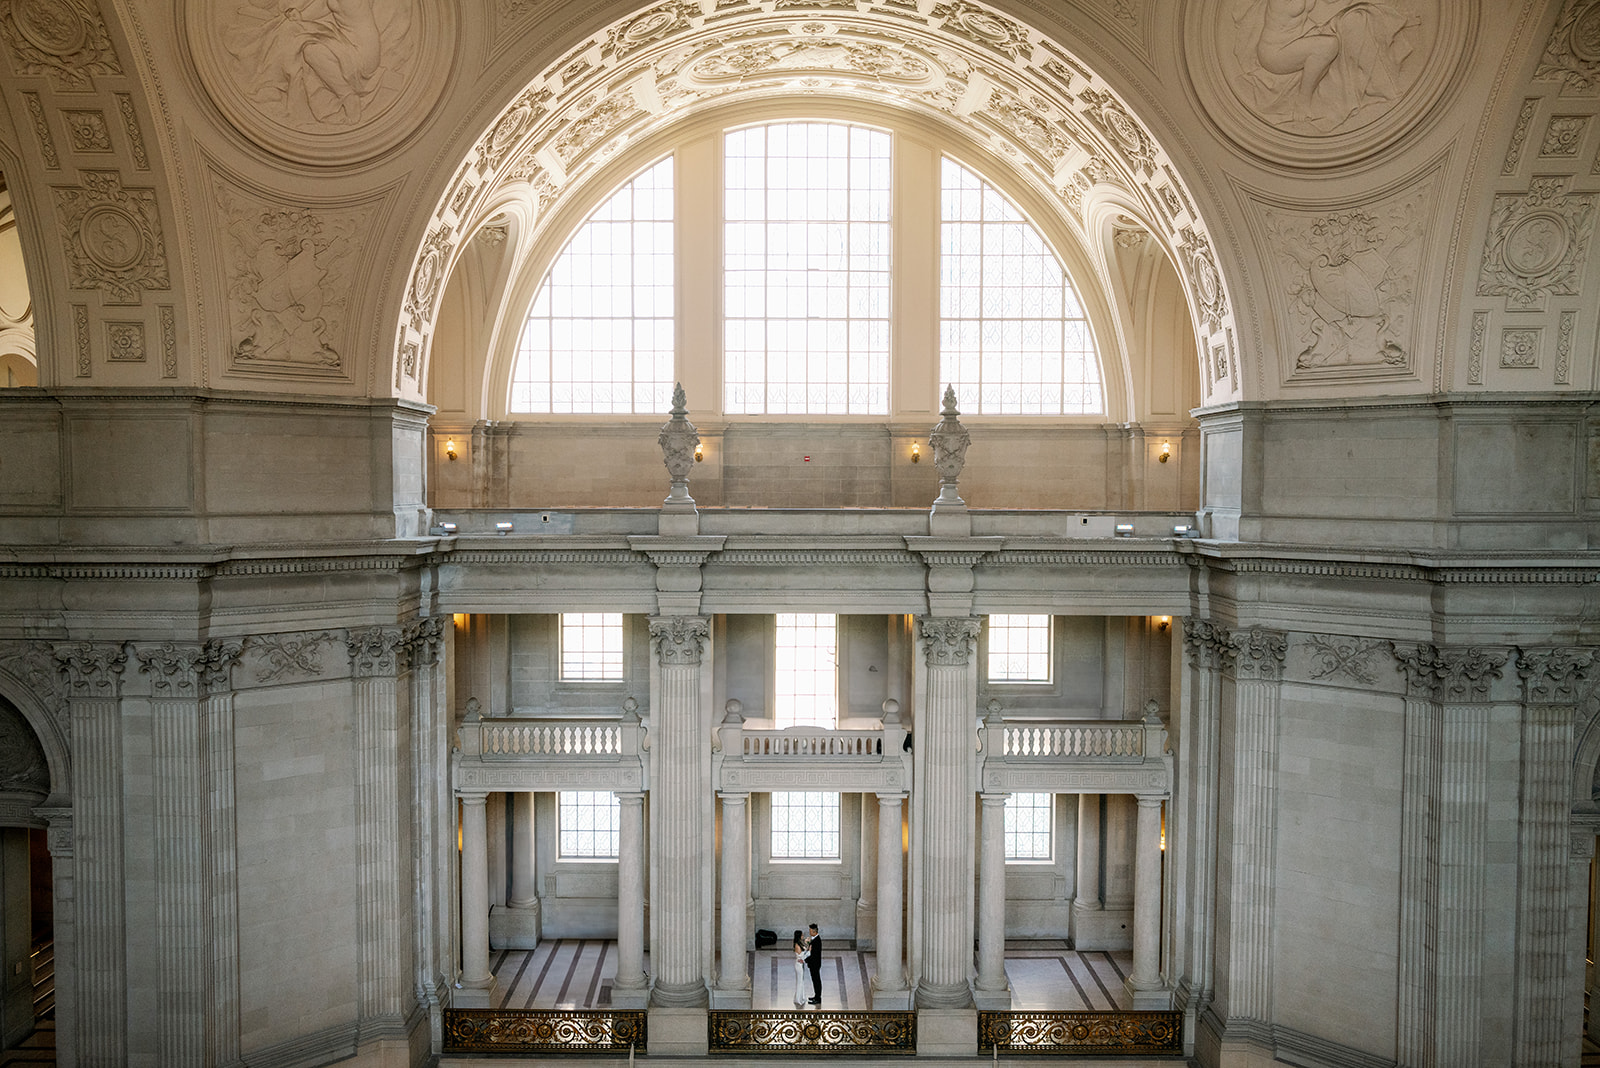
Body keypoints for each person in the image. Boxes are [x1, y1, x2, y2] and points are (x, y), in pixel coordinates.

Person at [805, 922, 822, 1004]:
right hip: (814, 964)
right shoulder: (814, 939)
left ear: (813, 931)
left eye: (810, 930)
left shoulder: (817, 941)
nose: (809, 932)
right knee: (815, 980)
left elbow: (814, 955)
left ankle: (818, 998)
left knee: (816, 980)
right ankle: (816, 996)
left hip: (815, 964)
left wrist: (805, 960)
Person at [791, 930, 807, 1006]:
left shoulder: (799, 943)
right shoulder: (797, 945)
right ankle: (798, 999)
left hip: (800, 964)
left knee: (801, 981)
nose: (803, 936)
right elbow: (801, 956)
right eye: (802, 935)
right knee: (799, 982)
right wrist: (808, 952)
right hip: (798, 965)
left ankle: (802, 997)